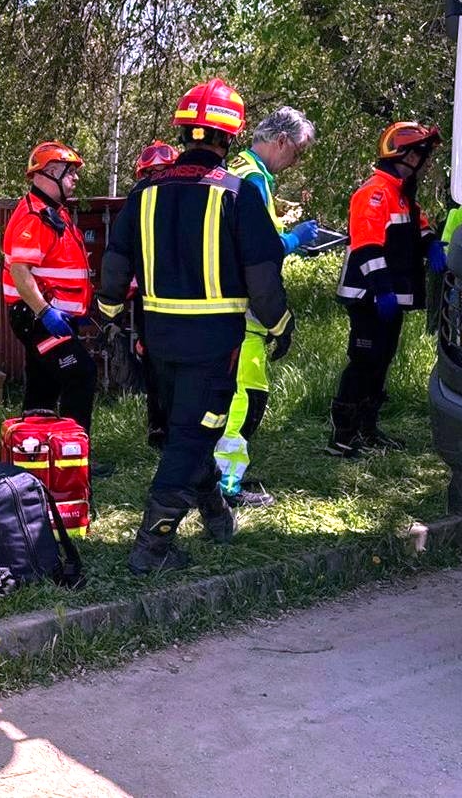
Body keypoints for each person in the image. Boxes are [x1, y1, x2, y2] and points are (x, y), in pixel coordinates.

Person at [94, 78, 293, 574]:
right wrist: (280, 323)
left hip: (157, 339)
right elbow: (263, 279)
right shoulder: (239, 194)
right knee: (190, 435)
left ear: (186, 132)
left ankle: (216, 516)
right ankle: (151, 547)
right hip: (214, 344)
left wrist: (111, 316)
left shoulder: (144, 192)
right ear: (231, 136)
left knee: (186, 430)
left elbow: (114, 269)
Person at [212, 108, 322, 507]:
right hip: (247, 307)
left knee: (235, 395)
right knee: (245, 398)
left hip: (226, 302)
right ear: (280, 141)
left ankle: (224, 475)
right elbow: (260, 248)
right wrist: (295, 239)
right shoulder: (254, 179)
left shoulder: (236, 168)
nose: (297, 161)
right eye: (298, 151)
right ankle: (226, 486)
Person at [328, 122, 446, 457]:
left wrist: (433, 245)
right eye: (423, 154)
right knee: (363, 362)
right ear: (406, 155)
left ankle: (367, 430)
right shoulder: (375, 192)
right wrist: (382, 291)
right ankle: (342, 438)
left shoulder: (402, 193)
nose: (426, 162)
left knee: (381, 362)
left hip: (389, 296)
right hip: (368, 296)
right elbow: (367, 248)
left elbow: (419, 229)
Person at [2, 141, 100, 442]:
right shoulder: (34, 216)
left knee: (43, 387)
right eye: (70, 173)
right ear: (51, 172)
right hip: (38, 317)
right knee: (80, 374)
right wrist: (45, 312)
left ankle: (34, 454)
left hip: (49, 315)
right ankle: (74, 450)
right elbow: (20, 271)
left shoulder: (53, 211)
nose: (76, 179)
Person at [128, 141, 180, 449]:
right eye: (152, 173)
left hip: (183, 298)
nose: (158, 178)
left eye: (164, 172)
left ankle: (175, 429)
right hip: (148, 299)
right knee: (154, 367)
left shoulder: (186, 203)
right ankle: (159, 429)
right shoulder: (138, 203)